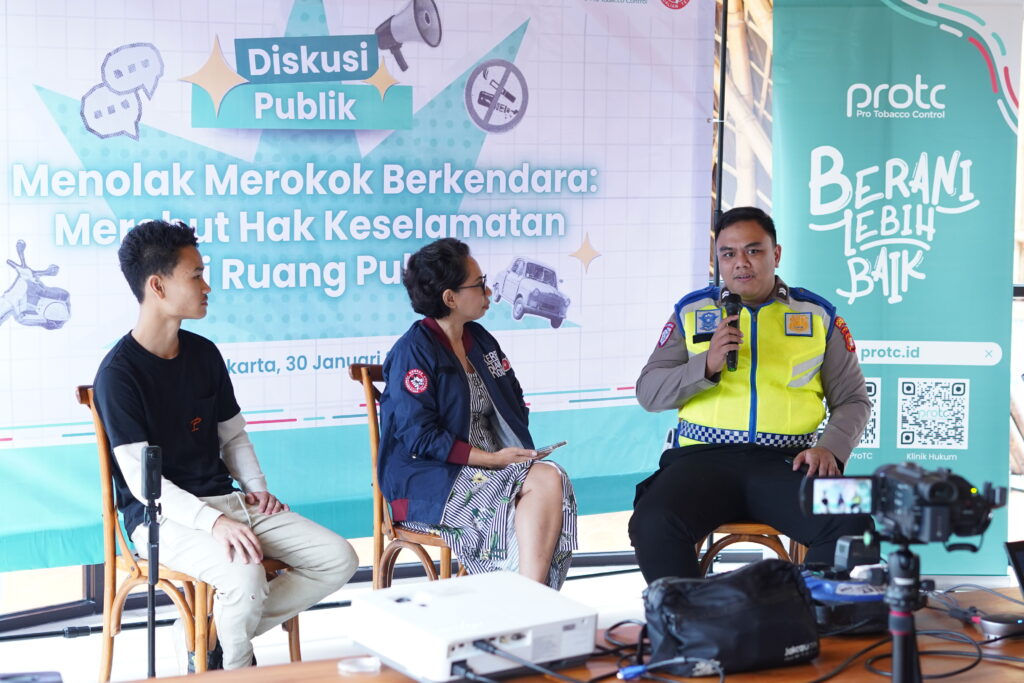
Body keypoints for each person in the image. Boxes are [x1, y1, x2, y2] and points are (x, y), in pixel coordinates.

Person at [93, 220, 357, 670]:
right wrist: (213, 522)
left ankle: (208, 634)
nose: (207, 286)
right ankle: (234, 669)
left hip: (229, 503)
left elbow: (232, 434)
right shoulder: (118, 375)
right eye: (196, 275)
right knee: (245, 578)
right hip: (161, 519)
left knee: (338, 558)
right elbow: (143, 485)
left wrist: (256, 488)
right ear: (157, 285)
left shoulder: (204, 354)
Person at [629, 206, 871, 582]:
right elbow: (649, 393)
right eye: (728, 253)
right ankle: (690, 612)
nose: (741, 262)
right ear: (718, 260)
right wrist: (706, 364)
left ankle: (801, 608)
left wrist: (831, 449)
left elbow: (854, 400)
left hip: (788, 463)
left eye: (753, 250)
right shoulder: (691, 311)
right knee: (652, 521)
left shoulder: (818, 315)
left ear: (776, 254)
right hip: (699, 462)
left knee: (855, 517)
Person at [379, 238, 577, 588]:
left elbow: (513, 398)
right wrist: (491, 459)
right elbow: (419, 436)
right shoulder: (413, 352)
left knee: (550, 476)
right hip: (429, 479)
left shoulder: (480, 339)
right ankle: (530, 599)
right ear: (450, 298)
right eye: (478, 284)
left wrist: (510, 452)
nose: (488, 290)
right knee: (531, 499)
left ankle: (530, 596)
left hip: (491, 468)